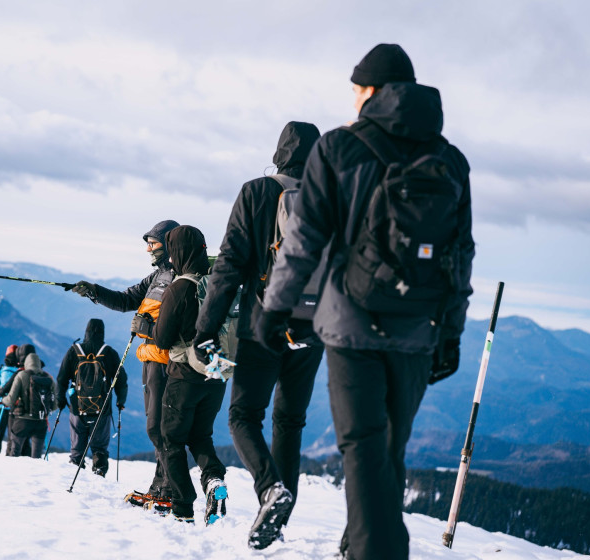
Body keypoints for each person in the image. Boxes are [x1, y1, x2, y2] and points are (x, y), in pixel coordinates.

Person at [258, 44, 474, 560]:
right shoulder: (450, 161)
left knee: (363, 449)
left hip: (350, 325)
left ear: (372, 91)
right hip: (418, 330)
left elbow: (303, 241)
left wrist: (274, 308)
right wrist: (450, 333)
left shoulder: (338, 148)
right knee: (387, 454)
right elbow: (460, 255)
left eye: (356, 90)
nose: (353, 99)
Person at [193, 121, 326, 548]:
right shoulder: (333, 198)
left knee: (244, 415)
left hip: (262, 324)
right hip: (314, 328)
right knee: (291, 422)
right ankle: (279, 522)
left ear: (279, 153)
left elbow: (229, 265)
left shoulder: (257, 192)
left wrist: (205, 329)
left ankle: (270, 490)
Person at [69, 219, 179, 506]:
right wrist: (93, 290)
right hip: (150, 359)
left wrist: (148, 326)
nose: (148, 249)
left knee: (162, 427)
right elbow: (125, 299)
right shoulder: (157, 276)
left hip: (169, 362)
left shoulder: (180, 277)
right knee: (155, 426)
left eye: (153, 243)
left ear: (169, 243)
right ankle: (161, 487)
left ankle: (169, 490)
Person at [153, 225, 227, 524]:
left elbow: (162, 339)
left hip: (184, 376)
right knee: (201, 435)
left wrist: (147, 326)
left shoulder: (180, 288)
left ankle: (182, 508)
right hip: (216, 373)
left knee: (171, 440)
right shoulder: (219, 281)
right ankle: (214, 479)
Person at [56, 318, 128, 477]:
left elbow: (61, 378)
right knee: (99, 448)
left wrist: (60, 399)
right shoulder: (109, 352)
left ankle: (76, 472)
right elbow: (121, 380)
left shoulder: (74, 351)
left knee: (77, 449)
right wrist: (120, 401)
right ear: (103, 332)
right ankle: (99, 472)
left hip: (77, 408)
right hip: (102, 409)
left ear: (86, 331)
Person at [2, 353, 56, 458]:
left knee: (15, 452)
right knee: (37, 457)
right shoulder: (48, 378)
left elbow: (10, 400)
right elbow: (54, 405)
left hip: (22, 421)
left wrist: (3, 400)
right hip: (41, 422)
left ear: (26, 363)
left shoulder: (21, 375)